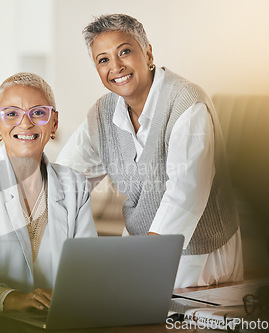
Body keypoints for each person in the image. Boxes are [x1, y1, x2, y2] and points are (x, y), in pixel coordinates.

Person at [57, 14, 243, 288]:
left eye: (125, 52)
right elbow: (66, 178)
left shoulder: (187, 104)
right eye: (103, 59)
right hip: (141, 247)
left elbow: (184, 198)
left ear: (148, 53)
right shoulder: (102, 113)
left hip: (199, 255)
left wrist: (140, 264)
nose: (116, 66)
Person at [0, 72, 97, 313]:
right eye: (11, 114)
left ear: (54, 122)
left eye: (38, 113)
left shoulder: (73, 184)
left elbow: (88, 266)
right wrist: (11, 299)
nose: (25, 123)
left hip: (61, 319)